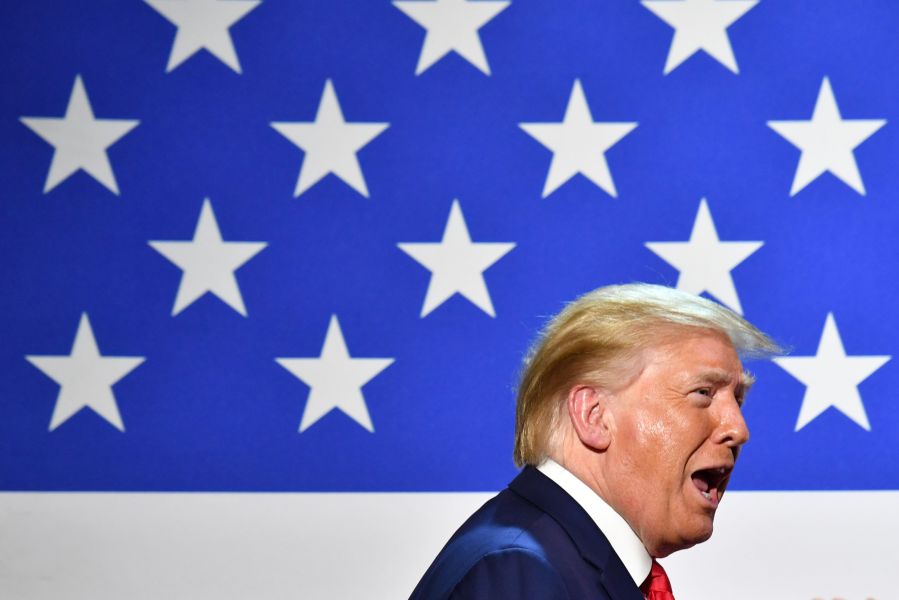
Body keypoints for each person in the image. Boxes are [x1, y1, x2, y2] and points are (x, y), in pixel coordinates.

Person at [410, 283, 780, 599]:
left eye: (739, 399)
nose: (738, 429)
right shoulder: (518, 573)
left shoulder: (557, 561)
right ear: (594, 415)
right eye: (703, 392)